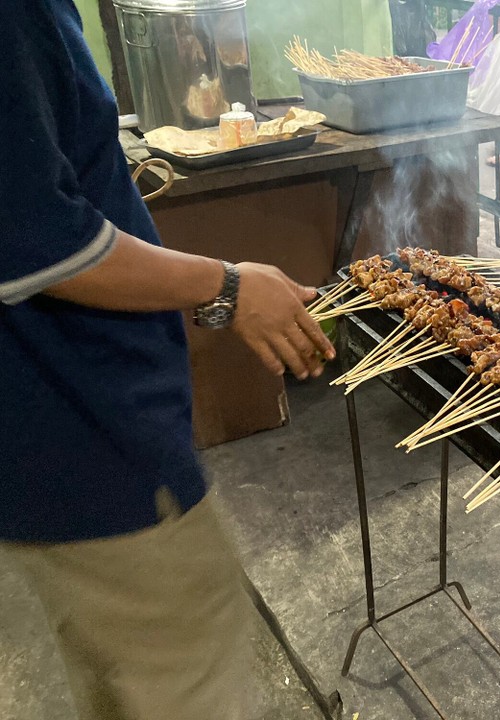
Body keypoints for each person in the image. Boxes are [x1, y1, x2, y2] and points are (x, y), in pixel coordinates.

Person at [0, 1, 336, 718]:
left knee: (125, 685)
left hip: (47, 439)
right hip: (85, 431)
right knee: (184, 671)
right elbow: (39, 245)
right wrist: (229, 285)